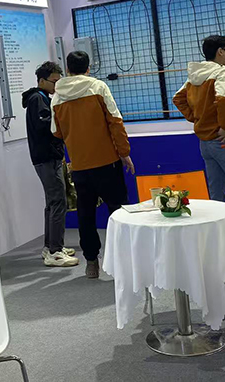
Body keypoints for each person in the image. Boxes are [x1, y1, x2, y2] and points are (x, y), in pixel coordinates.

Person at [51, 51, 134, 279]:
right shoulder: (98, 87)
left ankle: (91, 262)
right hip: (107, 162)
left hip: (79, 165)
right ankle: (125, 261)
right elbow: (115, 121)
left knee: (85, 215)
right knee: (119, 211)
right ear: (88, 68)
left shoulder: (57, 97)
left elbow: (56, 132)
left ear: (68, 70)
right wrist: (124, 153)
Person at [172, 35, 225, 229]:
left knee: (216, 195)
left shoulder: (195, 75)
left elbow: (178, 98)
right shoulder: (222, 72)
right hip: (223, 142)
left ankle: (218, 238)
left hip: (205, 143)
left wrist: (197, 119)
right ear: (220, 52)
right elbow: (223, 100)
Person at [23, 61, 78, 268]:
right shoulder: (38, 99)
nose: (57, 85)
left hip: (48, 156)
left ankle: (50, 246)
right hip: (46, 157)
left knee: (53, 202)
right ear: (41, 81)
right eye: (54, 81)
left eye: (58, 81)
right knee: (58, 202)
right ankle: (55, 251)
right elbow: (46, 127)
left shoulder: (42, 97)